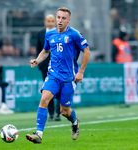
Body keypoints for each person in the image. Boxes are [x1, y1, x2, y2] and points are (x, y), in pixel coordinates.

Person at [26, 7, 90, 144]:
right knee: (44, 99)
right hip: (53, 75)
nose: (60, 21)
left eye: (63, 18)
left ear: (68, 20)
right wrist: (37, 60)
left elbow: (87, 52)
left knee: (64, 111)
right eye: (58, 17)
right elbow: (45, 51)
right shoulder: (49, 35)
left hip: (68, 78)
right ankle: (39, 134)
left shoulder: (74, 34)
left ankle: (74, 121)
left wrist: (81, 72)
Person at [36, 14, 61, 121]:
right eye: (48, 21)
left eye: (52, 21)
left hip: (58, 66)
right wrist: (39, 63)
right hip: (45, 66)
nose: (50, 23)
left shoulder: (60, 32)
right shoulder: (41, 33)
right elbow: (38, 48)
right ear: (45, 22)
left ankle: (58, 113)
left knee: (59, 89)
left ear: (55, 22)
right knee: (48, 90)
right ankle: (51, 113)